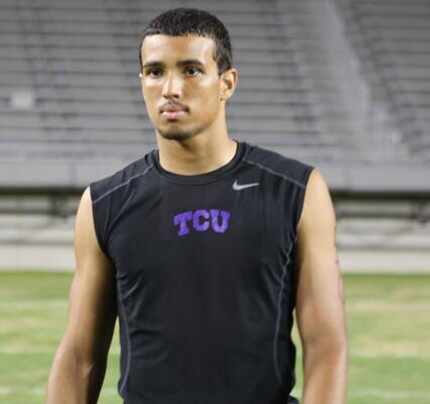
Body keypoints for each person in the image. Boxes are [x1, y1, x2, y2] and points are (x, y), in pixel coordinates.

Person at [46, 7, 348, 404]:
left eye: (190, 70)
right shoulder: (104, 203)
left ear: (227, 83)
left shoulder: (296, 190)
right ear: (142, 82)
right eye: (155, 72)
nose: (170, 88)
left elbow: (326, 345)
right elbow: (80, 356)